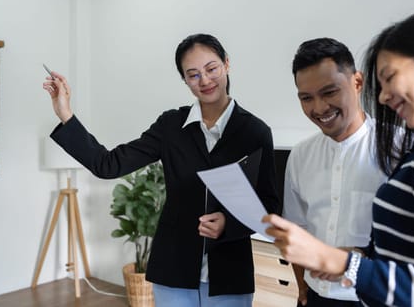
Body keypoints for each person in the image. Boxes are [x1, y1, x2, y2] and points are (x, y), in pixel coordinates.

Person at [42, 33, 279, 307]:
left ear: (226, 64)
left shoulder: (255, 132)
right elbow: (108, 165)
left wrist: (229, 225)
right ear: (185, 80)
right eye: (193, 75)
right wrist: (66, 115)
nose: (205, 80)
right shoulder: (171, 126)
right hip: (174, 271)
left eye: (211, 68)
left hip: (230, 273)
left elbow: (269, 206)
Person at [263, 12, 414, 306]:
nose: (383, 97)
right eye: (306, 97)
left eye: (390, 78)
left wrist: (340, 262)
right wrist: (362, 255)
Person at [283, 38, 386, 306]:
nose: (319, 108)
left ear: (357, 82)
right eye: (306, 98)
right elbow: (298, 229)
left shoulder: (396, 150)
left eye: (329, 92)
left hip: (373, 297)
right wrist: (303, 290)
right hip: (316, 296)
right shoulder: (300, 156)